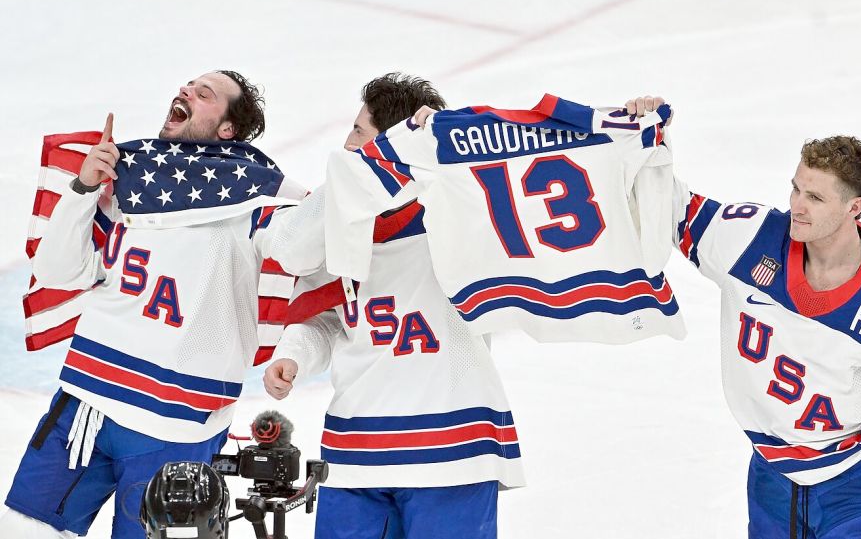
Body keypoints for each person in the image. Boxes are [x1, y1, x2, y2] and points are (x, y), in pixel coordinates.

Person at [622, 97, 861, 539]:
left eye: (816, 197)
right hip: (772, 472)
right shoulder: (750, 239)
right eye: (796, 189)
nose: (797, 206)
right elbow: (670, 211)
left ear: (854, 208)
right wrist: (646, 139)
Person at [2, 70, 305, 539]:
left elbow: (305, 245)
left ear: (227, 130)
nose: (186, 92)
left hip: (176, 428)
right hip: (89, 404)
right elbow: (59, 272)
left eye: (204, 94)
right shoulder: (133, 176)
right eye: (187, 86)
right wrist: (83, 188)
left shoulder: (258, 197)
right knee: (24, 530)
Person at [263, 72, 525, 539]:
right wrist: (295, 355)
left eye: (361, 132)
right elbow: (311, 291)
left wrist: (624, 135)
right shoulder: (337, 224)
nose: (347, 141)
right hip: (356, 449)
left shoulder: (460, 210)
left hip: (453, 448)